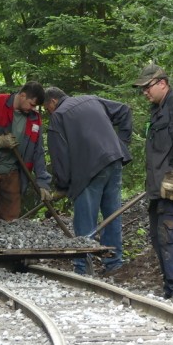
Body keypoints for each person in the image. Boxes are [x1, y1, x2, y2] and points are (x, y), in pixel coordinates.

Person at [43, 87, 132, 275]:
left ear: (52, 102)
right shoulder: (91, 99)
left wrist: (62, 186)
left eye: (46, 108)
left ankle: (83, 267)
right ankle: (114, 263)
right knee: (112, 215)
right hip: (114, 160)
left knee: (85, 219)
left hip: (88, 170)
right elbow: (124, 110)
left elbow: (59, 156)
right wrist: (121, 144)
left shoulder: (59, 116)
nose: (47, 112)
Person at [132, 64, 173, 305]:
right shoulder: (157, 109)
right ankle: (171, 288)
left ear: (162, 83)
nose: (144, 93)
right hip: (159, 186)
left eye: (147, 87)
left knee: (170, 234)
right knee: (159, 236)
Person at [0, 81, 52, 223]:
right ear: (22, 95)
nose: (32, 109)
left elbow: (38, 152)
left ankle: (7, 244)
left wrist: (43, 183)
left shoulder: (34, 119)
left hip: (14, 172)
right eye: (31, 104)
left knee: (11, 218)